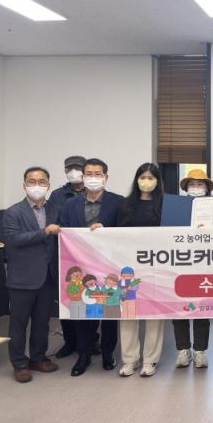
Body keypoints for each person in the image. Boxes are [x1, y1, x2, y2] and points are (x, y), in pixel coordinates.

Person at [61, 158, 124, 377]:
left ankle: (108, 353)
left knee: (109, 313)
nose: (93, 178)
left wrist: (107, 231)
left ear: (106, 177)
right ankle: (84, 354)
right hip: (79, 268)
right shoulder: (70, 205)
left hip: (108, 267)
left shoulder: (119, 202)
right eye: (89, 174)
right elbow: (64, 232)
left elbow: (127, 233)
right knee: (82, 312)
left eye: (98, 174)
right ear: (82, 176)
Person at [3, 167, 60, 383]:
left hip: (47, 277)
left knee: (42, 322)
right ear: (24, 185)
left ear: (48, 185)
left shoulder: (54, 209)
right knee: (18, 324)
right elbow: (13, 239)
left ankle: (38, 358)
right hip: (22, 278)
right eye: (32, 181)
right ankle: (19, 363)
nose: (37, 185)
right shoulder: (13, 212)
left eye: (42, 181)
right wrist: (44, 232)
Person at [118, 163, 166, 378]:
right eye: (142, 177)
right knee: (128, 313)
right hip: (129, 266)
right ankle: (130, 360)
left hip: (157, 266)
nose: (146, 181)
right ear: (136, 179)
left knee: (154, 314)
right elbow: (114, 233)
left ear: (158, 181)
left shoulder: (166, 204)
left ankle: (150, 360)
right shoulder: (125, 204)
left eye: (151, 177)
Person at [173, 169, 213, 369]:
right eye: (192, 184)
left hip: (206, 263)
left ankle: (200, 351)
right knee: (178, 308)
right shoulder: (176, 207)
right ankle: (183, 350)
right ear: (185, 187)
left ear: (207, 188)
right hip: (179, 263)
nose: (196, 188)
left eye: (200, 184)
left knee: (202, 309)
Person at [49, 155, 88, 359]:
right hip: (64, 256)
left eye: (78, 168)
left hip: (90, 257)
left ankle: (90, 341)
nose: (74, 172)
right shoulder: (57, 196)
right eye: (70, 168)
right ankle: (69, 341)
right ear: (65, 171)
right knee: (68, 300)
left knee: (88, 300)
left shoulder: (94, 192)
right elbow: (51, 221)